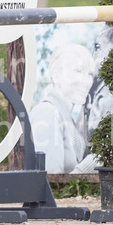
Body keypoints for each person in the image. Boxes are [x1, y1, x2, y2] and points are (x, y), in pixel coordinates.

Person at [30, 43, 95, 174]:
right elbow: (50, 179)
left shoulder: (66, 116)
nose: (86, 81)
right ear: (56, 75)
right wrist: (90, 165)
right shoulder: (46, 112)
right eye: (78, 71)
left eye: (90, 74)